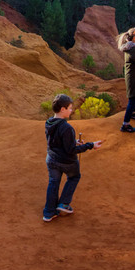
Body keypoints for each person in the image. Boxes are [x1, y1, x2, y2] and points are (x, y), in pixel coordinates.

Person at [42, 94, 103, 222]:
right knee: (74, 177)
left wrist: (73, 141)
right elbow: (71, 150)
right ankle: (63, 204)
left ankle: (48, 213)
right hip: (66, 161)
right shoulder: (67, 127)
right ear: (62, 109)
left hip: (51, 159)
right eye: (69, 108)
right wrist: (90, 145)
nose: (71, 110)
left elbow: (57, 140)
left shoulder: (49, 122)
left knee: (53, 182)